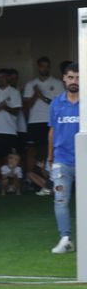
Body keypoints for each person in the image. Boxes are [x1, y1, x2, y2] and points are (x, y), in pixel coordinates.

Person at [47, 60, 79, 254]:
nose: (74, 80)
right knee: (60, 200)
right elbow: (52, 130)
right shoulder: (56, 103)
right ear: (64, 79)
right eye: (70, 77)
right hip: (62, 160)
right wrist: (50, 156)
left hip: (84, 160)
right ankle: (65, 239)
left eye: (78, 77)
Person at [23, 56, 64, 194]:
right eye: (42, 66)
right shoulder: (31, 84)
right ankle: (31, 180)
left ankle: (50, 180)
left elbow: (58, 104)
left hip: (50, 121)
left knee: (50, 150)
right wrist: (36, 94)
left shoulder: (57, 83)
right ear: (38, 67)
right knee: (32, 150)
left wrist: (42, 96)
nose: (44, 69)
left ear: (49, 67)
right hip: (34, 121)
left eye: (46, 66)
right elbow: (27, 105)